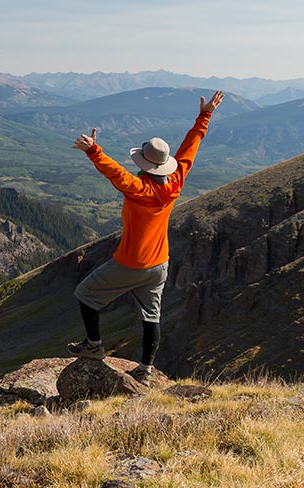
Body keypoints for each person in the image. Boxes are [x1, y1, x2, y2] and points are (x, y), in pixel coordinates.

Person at [68, 90, 225, 385]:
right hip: (159, 265)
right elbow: (190, 149)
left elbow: (117, 175)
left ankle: (94, 347)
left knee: (86, 294)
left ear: (144, 166)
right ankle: (146, 369)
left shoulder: (140, 190)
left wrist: (94, 151)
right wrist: (205, 115)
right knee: (151, 316)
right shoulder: (175, 182)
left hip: (131, 263)